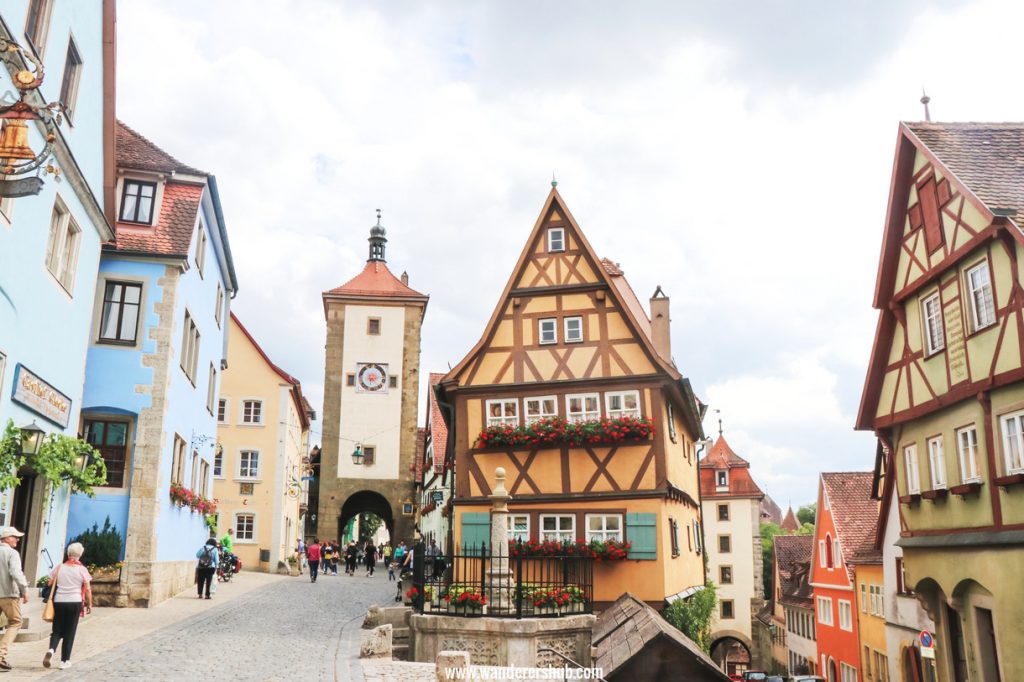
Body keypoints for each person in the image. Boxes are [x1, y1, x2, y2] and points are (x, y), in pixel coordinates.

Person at [43, 542, 92, 670]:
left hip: (59, 601)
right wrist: (89, 603)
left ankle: (51, 649)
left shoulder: (59, 567)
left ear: (68, 553)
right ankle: (65, 661)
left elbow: (49, 583)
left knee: (57, 629)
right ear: (79, 555)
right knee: (69, 632)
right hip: (74, 602)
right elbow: (87, 589)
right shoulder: (82, 570)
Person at [0, 527, 28, 671]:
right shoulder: (12, 553)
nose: (17, 539)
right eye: (14, 536)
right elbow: (15, 573)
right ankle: (1, 655)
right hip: (8, 595)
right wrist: (24, 589)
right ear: (5, 538)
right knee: (16, 622)